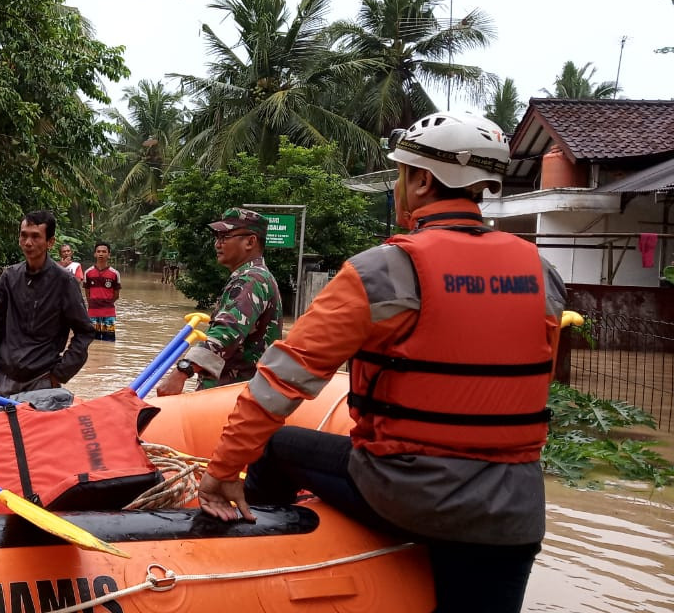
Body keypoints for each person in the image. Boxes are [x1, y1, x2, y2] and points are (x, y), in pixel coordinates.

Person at [197, 112, 567, 613]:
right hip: (515, 511)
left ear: (421, 180)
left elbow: (282, 381)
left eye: (399, 175)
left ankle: (265, 570)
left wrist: (222, 470)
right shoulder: (541, 272)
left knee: (276, 447)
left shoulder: (382, 270)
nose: (397, 187)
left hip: (407, 490)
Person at [155, 208, 282, 396]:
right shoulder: (257, 276)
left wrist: (182, 372)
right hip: (244, 391)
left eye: (225, 237)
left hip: (234, 394)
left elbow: (226, 332)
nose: (217, 244)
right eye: (217, 237)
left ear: (250, 241)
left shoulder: (251, 280)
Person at [0, 210, 95, 397]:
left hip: (43, 380)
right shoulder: (9, 277)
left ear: (50, 242)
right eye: (23, 236)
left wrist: (60, 374)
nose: (28, 243)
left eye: (35, 237)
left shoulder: (65, 282)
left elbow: (85, 331)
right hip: (5, 378)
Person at [82, 242, 122, 341]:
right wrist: (93, 303)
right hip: (92, 313)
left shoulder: (115, 273)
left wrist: (106, 304)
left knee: (109, 341)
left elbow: (116, 295)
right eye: (98, 251)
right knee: (92, 341)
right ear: (95, 254)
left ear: (109, 254)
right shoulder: (88, 273)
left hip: (109, 313)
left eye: (104, 252)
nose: (101, 254)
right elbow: (87, 293)